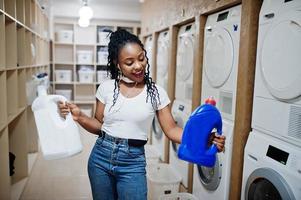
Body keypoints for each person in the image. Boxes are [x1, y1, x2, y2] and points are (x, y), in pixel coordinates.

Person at [58, 29, 226, 200]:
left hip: (133, 163)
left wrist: (204, 138)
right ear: (118, 64)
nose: (138, 66)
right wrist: (80, 117)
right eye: (129, 62)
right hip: (100, 158)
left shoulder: (156, 93)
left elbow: (172, 130)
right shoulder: (106, 88)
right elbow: (99, 126)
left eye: (141, 58)